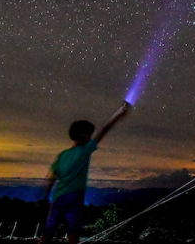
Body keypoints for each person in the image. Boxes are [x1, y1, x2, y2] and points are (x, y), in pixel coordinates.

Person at [39, 102, 131, 244]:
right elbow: (104, 130)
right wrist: (119, 113)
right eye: (89, 135)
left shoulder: (62, 155)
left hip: (58, 198)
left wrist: (44, 198)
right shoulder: (84, 150)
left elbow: (50, 180)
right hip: (75, 196)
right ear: (83, 135)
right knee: (73, 234)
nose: (90, 138)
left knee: (48, 232)